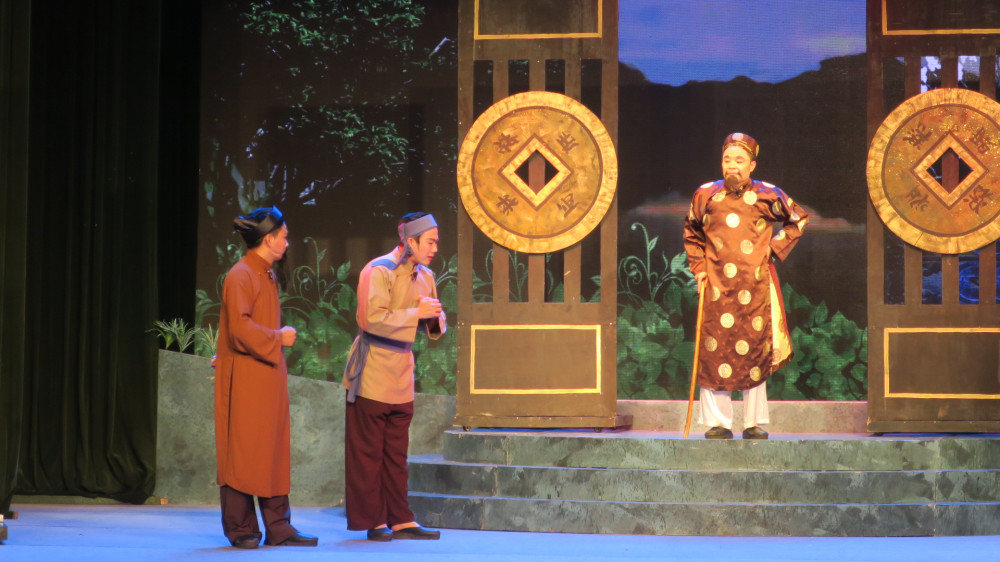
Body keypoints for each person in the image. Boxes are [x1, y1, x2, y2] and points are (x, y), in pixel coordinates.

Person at [683, 133, 808, 440]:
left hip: (755, 286)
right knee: (715, 350)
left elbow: (799, 219)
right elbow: (692, 232)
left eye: (739, 161)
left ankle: (753, 422)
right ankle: (718, 423)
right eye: (727, 160)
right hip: (716, 285)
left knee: (754, 349)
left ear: (752, 165)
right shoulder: (705, 194)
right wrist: (699, 269)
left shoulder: (767, 194)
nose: (732, 166)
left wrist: (773, 249)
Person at [214, 206, 318, 549]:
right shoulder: (241, 274)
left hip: (266, 376)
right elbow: (240, 326)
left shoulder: (265, 274)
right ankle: (241, 527)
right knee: (242, 450)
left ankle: (278, 526)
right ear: (269, 239)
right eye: (284, 237)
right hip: (248, 379)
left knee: (271, 450)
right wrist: (278, 337)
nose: (287, 242)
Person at [342, 212, 446, 541]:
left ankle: (400, 518)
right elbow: (371, 319)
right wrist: (417, 312)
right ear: (410, 241)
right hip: (373, 368)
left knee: (396, 454)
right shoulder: (378, 270)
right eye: (430, 242)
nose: (434, 249)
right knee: (368, 453)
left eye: (436, 243)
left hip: (402, 371)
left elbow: (435, 320)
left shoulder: (425, 275)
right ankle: (373, 520)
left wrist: (433, 317)